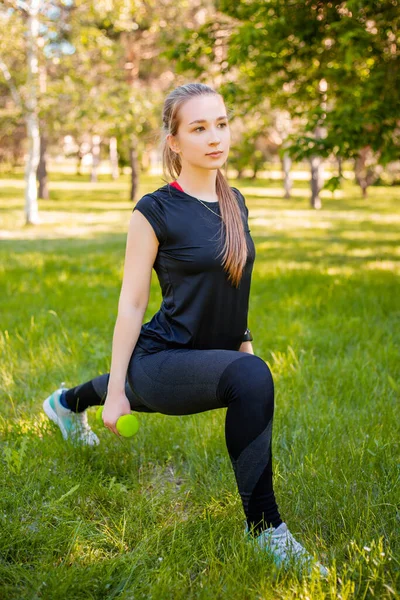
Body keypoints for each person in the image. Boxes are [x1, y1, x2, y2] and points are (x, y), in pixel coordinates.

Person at [43, 83, 328, 577]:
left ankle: (65, 404)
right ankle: (266, 531)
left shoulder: (234, 200)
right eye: (198, 128)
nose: (215, 137)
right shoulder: (154, 211)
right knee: (238, 378)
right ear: (174, 141)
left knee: (248, 373)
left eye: (221, 123)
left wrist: (244, 350)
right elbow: (131, 305)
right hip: (162, 359)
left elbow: (234, 288)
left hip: (204, 356)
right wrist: (116, 393)